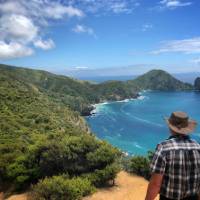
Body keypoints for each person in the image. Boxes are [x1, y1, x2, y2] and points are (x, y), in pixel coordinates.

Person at [145, 111, 200, 200]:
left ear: (170, 127)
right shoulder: (198, 147)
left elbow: (155, 184)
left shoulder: (164, 147)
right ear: (187, 128)